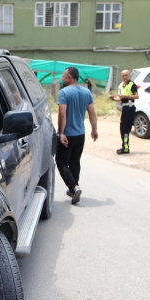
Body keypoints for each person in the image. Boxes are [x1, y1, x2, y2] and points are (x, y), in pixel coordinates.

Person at [56, 67, 99, 205]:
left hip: (68, 134)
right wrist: (94, 129)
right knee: (75, 162)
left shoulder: (64, 92)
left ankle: (74, 187)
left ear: (69, 77)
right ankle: (73, 188)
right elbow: (92, 113)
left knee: (62, 162)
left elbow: (62, 114)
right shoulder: (87, 92)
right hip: (81, 134)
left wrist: (61, 133)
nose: (62, 78)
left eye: (63, 76)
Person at [109, 70, 138, 154]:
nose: (125, 77)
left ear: (129, 75)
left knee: (125, 128)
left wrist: (125, 96)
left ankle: (126, 147)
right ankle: (124, 146)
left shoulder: (132, 84)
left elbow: (136, 96)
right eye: (123, 75)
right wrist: (113, 99)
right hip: (124, 107)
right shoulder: (121, 85)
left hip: (130, 107)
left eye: (126, 75)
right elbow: (120, 99)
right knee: (122, 128)